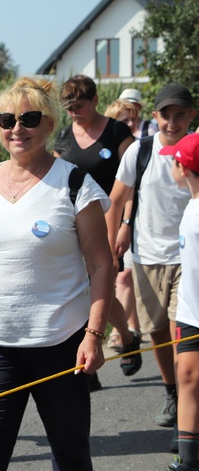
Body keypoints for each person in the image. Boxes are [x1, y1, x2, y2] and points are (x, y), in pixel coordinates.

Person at [0, 76, 113, 470]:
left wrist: (93, 334)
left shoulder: (74, 184)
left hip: (60, 341)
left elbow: (102, 264)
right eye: (6, 119)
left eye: (29, 118)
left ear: (50, 124)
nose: (16, 128)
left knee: (69, 452)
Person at [106, 83, 197, 429]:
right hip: (146, 257)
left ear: (192, 116)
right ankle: (172, 392)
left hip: (187, 259)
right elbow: (116, 199)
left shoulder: (197, 148)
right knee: (156, 331)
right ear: (154, 116)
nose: (172, 124)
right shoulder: (139, 152)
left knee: (180, 331)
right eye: (165, 116)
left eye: (179, 116)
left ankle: (189, 411)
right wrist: (111, 241)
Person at [54, 74, 141, 383]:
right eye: (68, 108)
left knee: (99, 284)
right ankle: (98, 354)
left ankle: (124, 339)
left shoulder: (117, 132)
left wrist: (125, 226)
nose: (74, 113)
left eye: (79, 106)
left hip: (112, 220)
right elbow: (54, 181)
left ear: (94, 102)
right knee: (82, 288)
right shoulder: (64, 136)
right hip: (73, 224)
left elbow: (133, 183)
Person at [159, 133, 199, 471]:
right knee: (186, 375)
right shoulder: (191, 203)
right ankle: (187, 459)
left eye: (174, 159)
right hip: (189, 312)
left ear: (182, 167)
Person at [104, 98, 143, 347]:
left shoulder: (138, 147)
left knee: (124, 276)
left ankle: (124, 332)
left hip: (133, 219)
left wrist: (125, 225)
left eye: (132, 119)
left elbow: (131, 191)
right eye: (124, 120)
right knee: (116, 279)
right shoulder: (103, 142)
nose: (130, 124)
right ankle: (130, 329)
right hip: (105, 218)